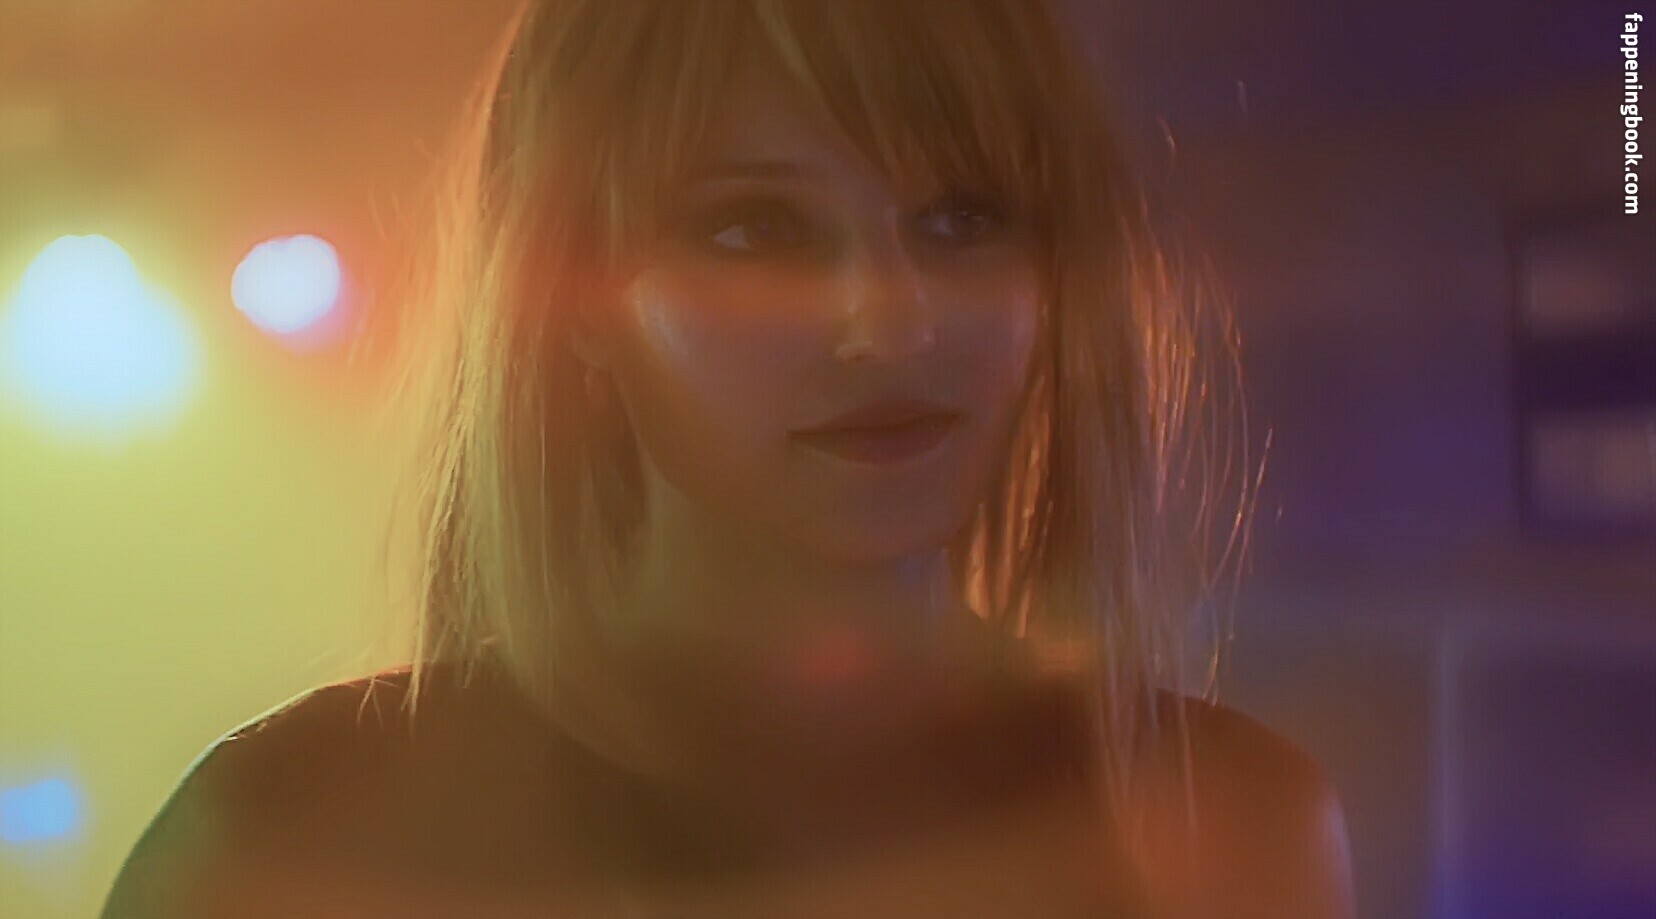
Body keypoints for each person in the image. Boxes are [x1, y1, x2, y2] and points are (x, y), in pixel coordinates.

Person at [100, 1, 1356, 915]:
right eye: (757, 229)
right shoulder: (289, 842)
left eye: (963, 218)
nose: (891, 321)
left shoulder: (1227, 828)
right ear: (575, 300)